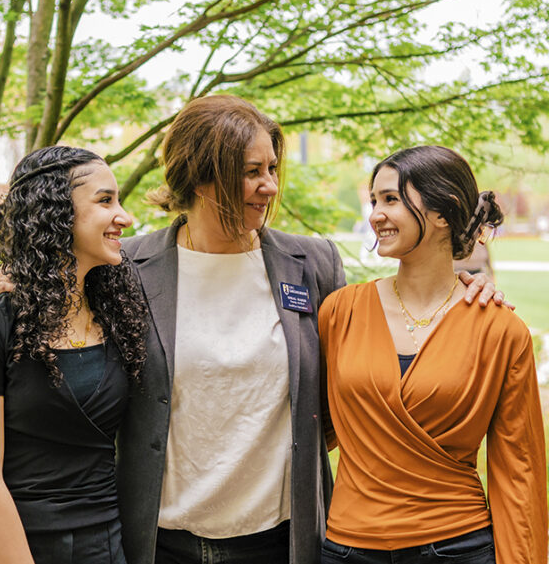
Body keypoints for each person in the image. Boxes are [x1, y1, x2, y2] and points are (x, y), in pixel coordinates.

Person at [111, 96, 508, 564]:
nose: (270, 186)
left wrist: (457, 289)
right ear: (201, 174)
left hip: (281, 539)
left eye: (273, 169)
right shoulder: (126, 269)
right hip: (161, 540)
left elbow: (361, 360)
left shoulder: (311, 265)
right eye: (252, 171)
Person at [318, 145, 548, 564]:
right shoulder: (340, 312)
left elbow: (520, 470)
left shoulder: (499, 330)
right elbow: (313, 426)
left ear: (444, 213)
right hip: (349, 546)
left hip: (457, 545)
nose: (375, 215)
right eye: (374, 201)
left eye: (390, 199)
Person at [0, 146, 149, 564]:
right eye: (105, 200)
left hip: (105, 544)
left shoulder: (121, 316)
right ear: (55, 212)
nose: (124, 216)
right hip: (12, 544)